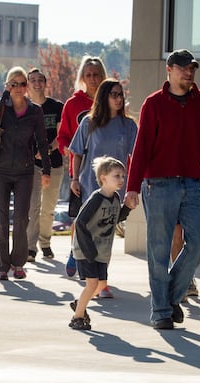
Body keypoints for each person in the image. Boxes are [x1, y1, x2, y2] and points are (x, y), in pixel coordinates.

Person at [123, 49, 200, 330]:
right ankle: (161, 312)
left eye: (192, 69)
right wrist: (132, 187)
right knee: (159, 250)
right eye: (183, 68)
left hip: (192, 183)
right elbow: (140, 148)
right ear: (170, 69)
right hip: (158, 184)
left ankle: (171, 296)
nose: (189, 73)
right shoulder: (154, 104)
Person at [68, 78, 137, 299]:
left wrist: (135, 185)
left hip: (116, 187)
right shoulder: (89, 123)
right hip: (91, 184)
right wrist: (74, 178)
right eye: (114, 94)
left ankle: (91, 270)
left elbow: (136, 157)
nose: (118, 99)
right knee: (93, 230)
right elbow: (77, 152)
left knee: (105, 233)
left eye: (120, 94)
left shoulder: (128, 126)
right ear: (104, 97)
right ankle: (97, 279)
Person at [0, 66, 51, 280]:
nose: (18, 87)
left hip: (24, 171)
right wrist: (4, 96)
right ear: (7, 86)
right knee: (1, 220)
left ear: (27, 87)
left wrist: (47, 170)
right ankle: (2, 267)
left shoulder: (35, 111)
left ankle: (18, 264)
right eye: (13, 83)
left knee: (22, 218)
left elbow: (42, 141)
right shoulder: (1, 108)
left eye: (22, 84)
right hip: (0, 170)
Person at [57, 55, 107, 278]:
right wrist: (68, 148)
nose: (93, 78)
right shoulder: (73, 104)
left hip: (106, 174)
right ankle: (75, 252)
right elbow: (63, 136)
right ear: (82, 78)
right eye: (89, 75)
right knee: (80, 218)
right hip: (80, 172)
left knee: (101, 221)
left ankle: (94, 262)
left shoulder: (110, 103)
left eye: (96, 74)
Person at [68, 156, 130, 330]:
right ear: (103, 178)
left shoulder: (116, 198)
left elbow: (115, 218)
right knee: (92, 284)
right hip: (87, 250)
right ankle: (77, 317)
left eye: (122, 176)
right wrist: (88, 250)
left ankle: (80, 304)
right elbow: (80, 223)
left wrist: (128, 208)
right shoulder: (96, 198)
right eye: (116, 176)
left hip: (102, 251)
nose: (121, 179)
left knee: (99, 285)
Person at [25, 68, 64, 262]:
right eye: (32, 80)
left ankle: (45, 243)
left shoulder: (56, 106)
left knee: (48, 207)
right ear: (27, 84)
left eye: (40, 79)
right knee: (33, 207)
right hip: (31, 165)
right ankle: (30, 248)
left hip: (54, 163)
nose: (37, 83)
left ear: (45, 83)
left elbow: (61, 135)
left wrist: (47, 149)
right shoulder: (23, 107)